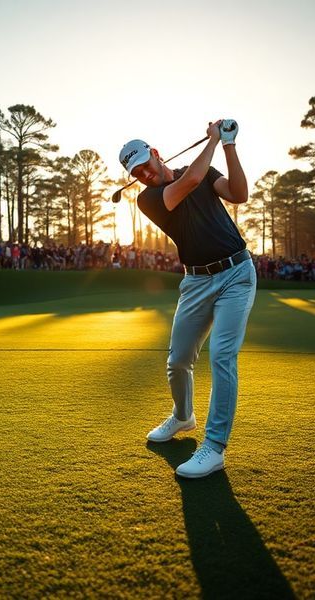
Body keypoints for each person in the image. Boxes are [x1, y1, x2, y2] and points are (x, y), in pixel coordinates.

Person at [118, 119, 256, 478]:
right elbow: (190, 181)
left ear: (157, 154)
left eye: (146, 164)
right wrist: (211, 139)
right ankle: (183, 417)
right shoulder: (148, 198)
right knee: (178, 361)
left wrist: (228, 144)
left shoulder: (205, 170)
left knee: (222, 356)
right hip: (195, 282)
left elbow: (239, 194)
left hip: (237, 274)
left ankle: (214, 447)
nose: (145, 173)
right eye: (137, 171)